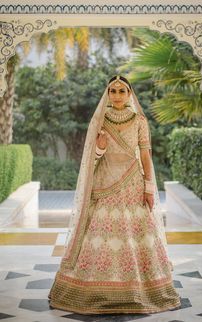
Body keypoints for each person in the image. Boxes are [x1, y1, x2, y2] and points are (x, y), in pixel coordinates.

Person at [48, 75, 181, 314]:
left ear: (130, 94)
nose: (117, 95)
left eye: (122, 91)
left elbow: (145, 156)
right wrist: (100, 146)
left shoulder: (140, 120)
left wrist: (149, 187)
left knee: (136, 235)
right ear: (107, 94)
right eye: (113, 90)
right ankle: (96, 289)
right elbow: (91, 158)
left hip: (133, 184)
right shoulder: (100, 120)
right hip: (105, 184)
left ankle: (139, 289)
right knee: (101, 235)